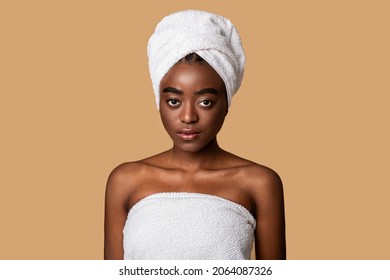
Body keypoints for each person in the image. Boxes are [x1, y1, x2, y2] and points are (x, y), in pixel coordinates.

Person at [104, 9, 286, 260]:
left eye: (206, 102)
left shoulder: (259, 183)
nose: (188, 117)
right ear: (159, 103)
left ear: (226, 103)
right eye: (174, 101)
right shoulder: (126, 180)